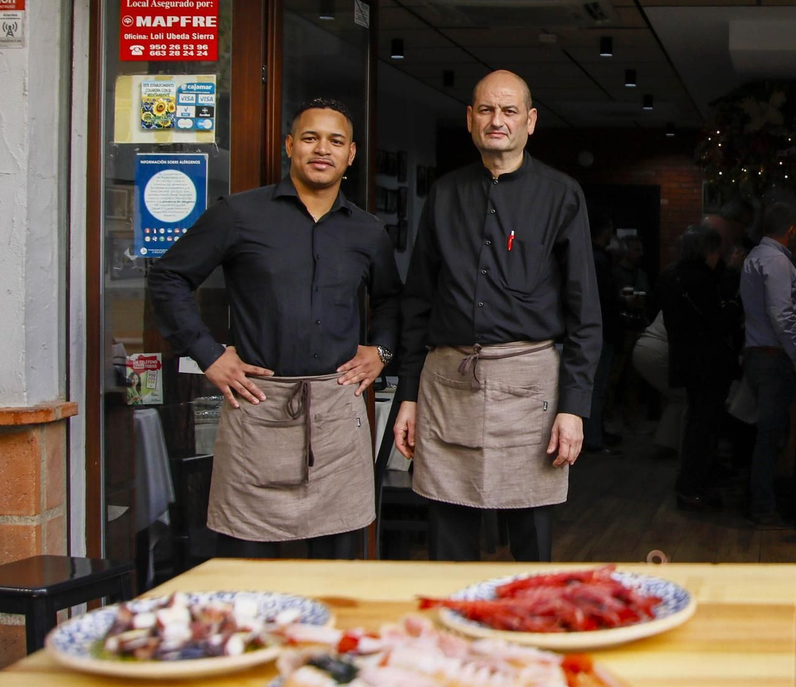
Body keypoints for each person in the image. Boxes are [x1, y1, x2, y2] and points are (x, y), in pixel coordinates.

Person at [149, 98, 400, 559]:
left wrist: (380, 350)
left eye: (335, 140)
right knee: (249, 569)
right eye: (309, 138)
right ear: (289, 146)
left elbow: (391, 300)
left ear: (351, 154)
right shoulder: (239, 215)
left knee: (339, 566)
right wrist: (208, 353)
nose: (321, 149)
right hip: (258, 409)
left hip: (336, 412)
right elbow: (168, 278)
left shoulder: (368, 232)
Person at [392, 70, 602, 563]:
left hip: (530, 385)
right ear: (469, 119)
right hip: (447, 383)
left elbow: (585, 313)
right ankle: (454, 636)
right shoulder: (444, 194)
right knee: (447, 527)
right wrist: (407, 395)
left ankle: (530, 637)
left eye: (509, 111)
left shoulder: (561, 194)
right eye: (486, 110)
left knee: (530, 536)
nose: (496, 121)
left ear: (530, 122)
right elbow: (417, 300)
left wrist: (574, 407)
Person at [659, 223, 739, 510]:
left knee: (696, 424)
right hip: (708, 362)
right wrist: (732, 304)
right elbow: (717, 321)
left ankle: (691, 483)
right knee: (703, 429)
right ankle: (692, 487)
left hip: (686, 360)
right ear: (707, 250)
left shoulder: (672, 275)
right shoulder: (701, 280)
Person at [739, 200, 796, 527]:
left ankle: (756, 499)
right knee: (771, 435)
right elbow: (782, 315)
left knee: (761, 433)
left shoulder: (754, 257)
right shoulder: (777, 262)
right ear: (791, 230)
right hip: (773, 356)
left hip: (755, 352)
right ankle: (763, 505)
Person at [585, 213, 623, 454]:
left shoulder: (589, 257)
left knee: (597, 387)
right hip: (601, 331)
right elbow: (605, 299)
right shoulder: (600, 260)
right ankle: (593, 438)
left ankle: (595, 433)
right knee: (597, 387)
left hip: (594, 330)